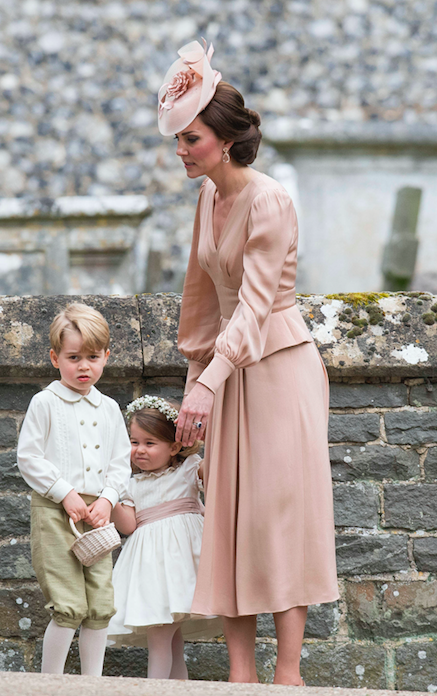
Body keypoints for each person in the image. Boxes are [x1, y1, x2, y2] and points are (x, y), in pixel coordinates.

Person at [158, 40, 339, 684]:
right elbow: (201, 307)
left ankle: (287, 673)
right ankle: (243, 675)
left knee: (278, 514)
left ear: (226, 140)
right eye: (178, 137)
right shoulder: (207, 198)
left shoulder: (270, 201)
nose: (181, 149)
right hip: (224, 375)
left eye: (192, 137)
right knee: (229, 513)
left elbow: (256, 305)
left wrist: (209, 382)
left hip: (278, 365)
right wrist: (194, 385)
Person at [17, 302, 131, 676]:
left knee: (99, 603)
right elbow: (29, 457)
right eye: (74, 356)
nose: (84, 366)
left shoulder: (110, 408)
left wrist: (108, 499)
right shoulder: (45, 403)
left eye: (93, 357)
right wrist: (64, 492)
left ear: (106, 357)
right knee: (68, 603)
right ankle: (51, 682)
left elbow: (120, 461)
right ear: (55, 358)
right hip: (56, 511)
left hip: (98, 515)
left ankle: (91, 683)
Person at [107, 395, 222, 679]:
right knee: (167, 641)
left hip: (185, 565)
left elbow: (219, 468)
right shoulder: (131, 483)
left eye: (149, 443)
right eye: (134, 442)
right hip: (153, 572)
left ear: (173, 446)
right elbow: (129, 526)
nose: (139, 450)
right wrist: (108, 498)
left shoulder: (188, 469)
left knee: (163, 641)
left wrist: (208, 432)